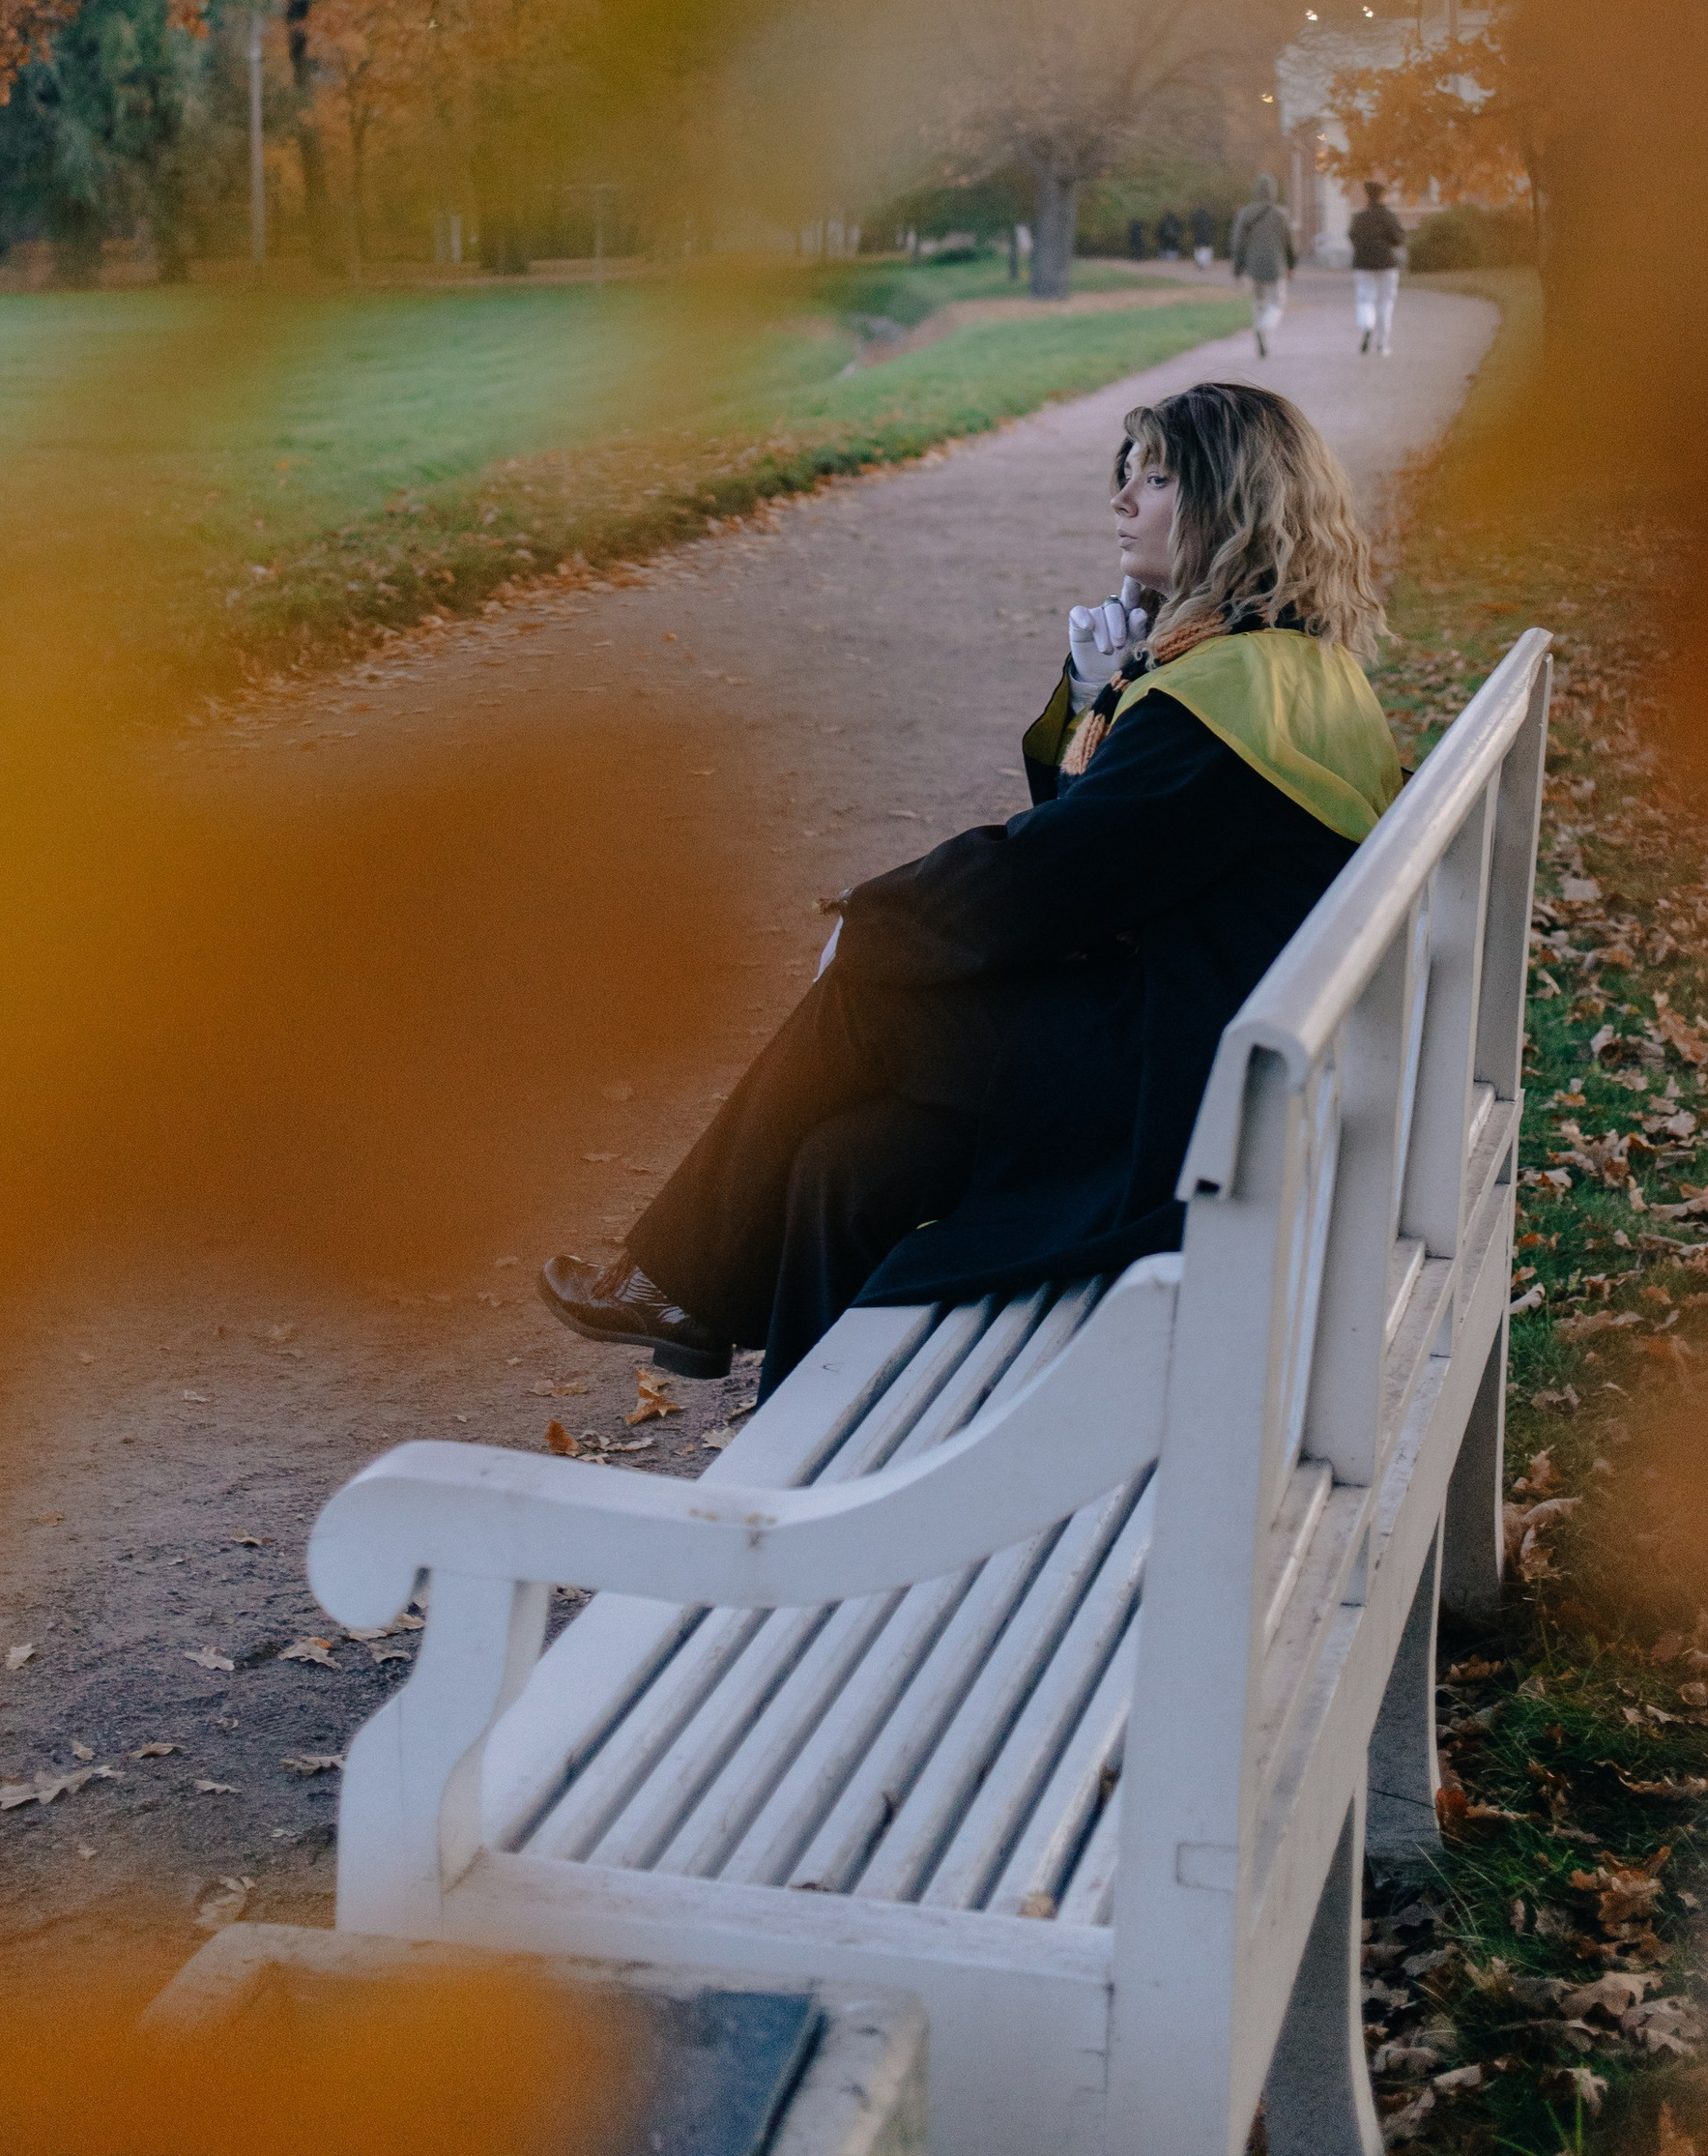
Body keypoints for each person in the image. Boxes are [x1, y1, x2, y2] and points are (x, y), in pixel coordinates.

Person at [537, 383, 1403, 1395]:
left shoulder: (1218, 702)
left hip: (1179, 1080)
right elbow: (1110, 857)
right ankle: (787, 1454)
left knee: (870, 993)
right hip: (1220, 1045)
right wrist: (1097, 696)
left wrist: (873, 915)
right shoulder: (1281, 669)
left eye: (1158, 477)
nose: (1123, 500)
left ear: (1239, 503)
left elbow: (1049, 880)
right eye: (1124, 476)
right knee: (848, 1163)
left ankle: (678, 1282)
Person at [1230, 169, 1295, 357]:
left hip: (1253, 266)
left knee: (1258, 303)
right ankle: (1265, 328)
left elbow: (1238, 242)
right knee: (1277, 302)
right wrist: (1291, 265)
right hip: (1276, 265)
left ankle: (1260, 332)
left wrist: (1237, 269)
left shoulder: (1245, 214)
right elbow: (1289, 243)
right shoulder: (1281, 214)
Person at [1348, 177, 1404, 357]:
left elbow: (1352, 236)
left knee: (1365, 299)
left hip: (1363, 264)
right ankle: (1382, 344)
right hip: (1386, 264)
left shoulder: (1359, 217)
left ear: (1367, 196)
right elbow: (1398, 239)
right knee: (1385, 302)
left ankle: (1367, 325)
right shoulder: (1388, 216)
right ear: (1381, 196)